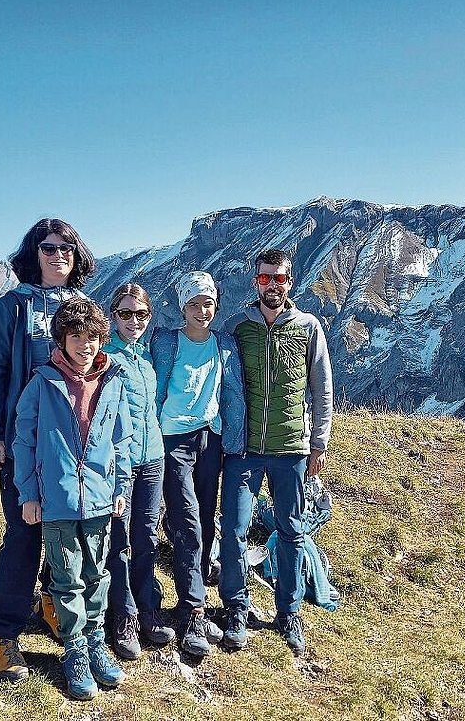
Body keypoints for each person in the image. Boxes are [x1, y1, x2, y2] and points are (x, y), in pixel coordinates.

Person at [0, 218, 95, 681]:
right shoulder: (13, 307)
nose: (57, 254)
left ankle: (50, 598)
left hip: (73, 442)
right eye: (48, 248)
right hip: (24, 441)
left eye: (66, 247)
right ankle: (4, 633)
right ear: (34, 255)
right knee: (24, 535)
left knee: (66, 529)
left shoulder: (84, 306)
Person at [13, 297, 132, 700]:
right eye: (76, 336)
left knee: (99, 573)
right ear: (61, 340)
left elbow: (123, 441)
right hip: (57, 499)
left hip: (100, 499)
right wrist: (29, 493)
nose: (85, 345)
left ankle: (97, 642)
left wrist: (121, 490)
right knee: (66, 578)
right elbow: (23, 440)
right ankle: (75, 648)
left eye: (93, 336)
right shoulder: (42, 383)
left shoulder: (113, 382)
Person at [218, 249, 333, 656]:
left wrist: (319, 441)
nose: (272, 285)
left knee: (292, 532)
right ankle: (235, 606)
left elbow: (321, 386)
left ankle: (289, 611)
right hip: (244, 449)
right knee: (232, 529)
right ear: (256, 282)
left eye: (279, 278)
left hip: (293, 449)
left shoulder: (308, 327)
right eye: (265, 278)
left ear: (291, 281)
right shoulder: (237, 328)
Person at [150, 271, 246, 657]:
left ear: (216, 305)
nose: (201, 311)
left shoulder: (224, 344)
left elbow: (233, 392)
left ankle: (197, 586)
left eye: (207, 303)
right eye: (194, 304)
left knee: (206, 518)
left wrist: (235, 440)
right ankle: (192, 610)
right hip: (173, 440)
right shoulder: (165, 342)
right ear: (182, 307)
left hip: (212, 438)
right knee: (186, 520)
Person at [102, 283, 175, 660]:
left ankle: (148, 608)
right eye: (126, 313)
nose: (134, 321)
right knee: (120, 540)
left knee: (146, 535)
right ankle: (124, 616)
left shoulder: (146, 358)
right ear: (113, 316)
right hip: (121, 463)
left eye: (141, 314)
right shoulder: (105, 358)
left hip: (154, 457)